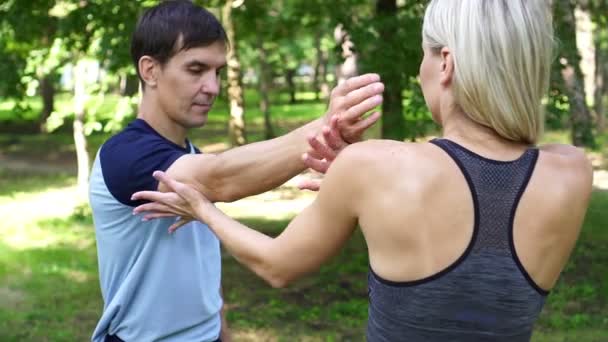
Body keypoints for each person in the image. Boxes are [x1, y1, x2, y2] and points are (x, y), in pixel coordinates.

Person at [132, 0, 595, 341]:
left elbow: (278, 268)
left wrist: (202, 208)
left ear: (447, 64)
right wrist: (362, 183)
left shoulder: (373, 167)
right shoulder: (572, 173)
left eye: (426, 55)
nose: (420, 70)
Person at [88, 1, 384, 341]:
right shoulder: (126, 156)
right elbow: (221, 177)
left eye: (217, 72)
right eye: (196, 69)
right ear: (150, 71)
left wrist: (221, 329)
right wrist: (324, 128)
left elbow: (197, 265)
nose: (212, 87)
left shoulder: (188, 155)